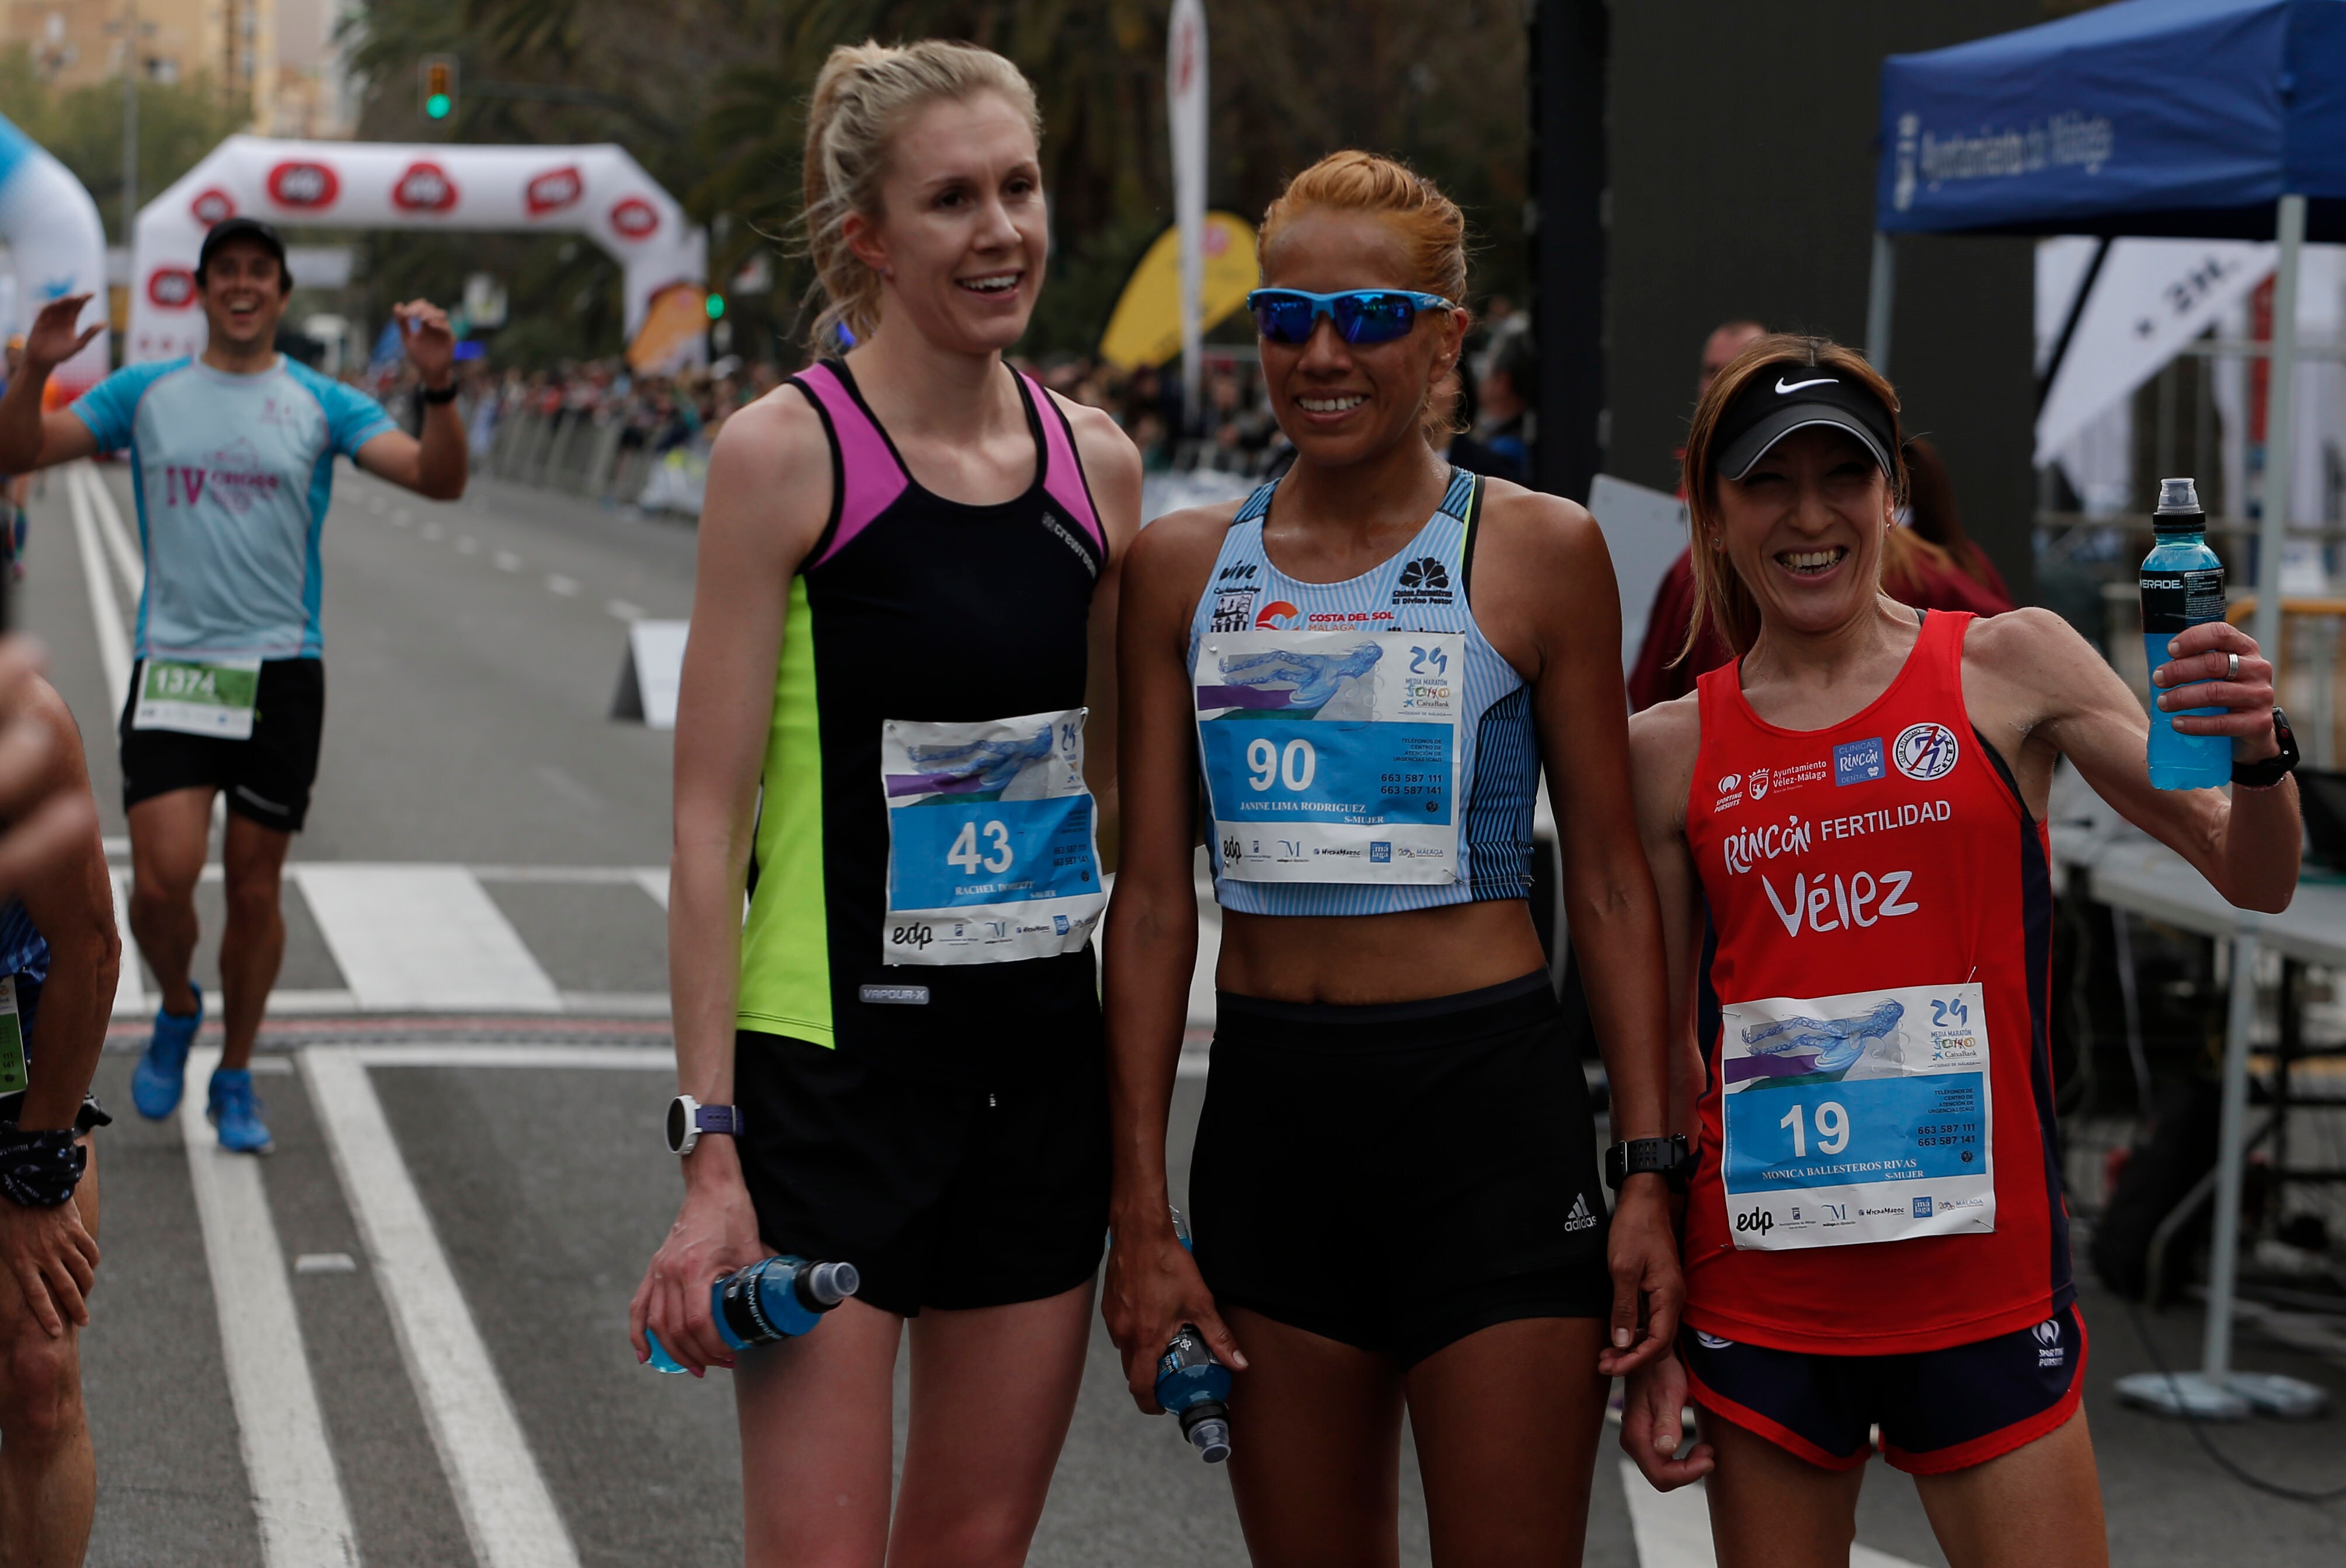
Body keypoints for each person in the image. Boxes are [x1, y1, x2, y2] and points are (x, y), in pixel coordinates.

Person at [1621, 333, 2300, 1566]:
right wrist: (1652, 1271)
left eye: (1842, 476)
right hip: (1765, 1292)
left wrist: (2254, 751)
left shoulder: (2005, 665)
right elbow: (1660, 1043)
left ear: (1892, 492)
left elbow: (2249, 871)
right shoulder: (1667, 747)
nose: (1808, 516)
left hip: (1978, 1286)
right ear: (1710, 513)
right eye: (1767, 482)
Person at [1102, 151, 1682, 1566]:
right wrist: (1139, 1204)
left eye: (1364, 317)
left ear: (1442, 337)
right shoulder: (1180, 567)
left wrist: (1653, 1168)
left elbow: (1607, 881)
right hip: (1271, 1120)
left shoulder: (1535, 549)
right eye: (1285, 318)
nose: (1319, 353)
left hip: (1483, 1119)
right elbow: (1154, 899)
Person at [627, 41, 1140, 1568]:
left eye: (1019, 187)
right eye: (953, 200)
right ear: (869, 232)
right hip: (834, 1085)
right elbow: (706, 833)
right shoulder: (786, 456)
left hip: (1034, 1086)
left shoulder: (1097, 467)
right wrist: (709, 1149)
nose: (1000, 231)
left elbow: (1113, 800)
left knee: (972, 1550)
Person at [0, 218, 467, 1154]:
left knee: (256, 892)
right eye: (227, 272)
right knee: (162, 887)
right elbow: (23, 449)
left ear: (282, 294)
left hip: (283, 672)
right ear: (202, 292)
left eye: (261, 272)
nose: (244, 286)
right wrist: (34, 368)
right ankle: (177, 1000)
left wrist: (440, 386)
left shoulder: (322, 403)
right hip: (175, 666)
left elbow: (436, 478)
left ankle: (238, 1069)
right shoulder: (150, 392)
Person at [0, 667, 117, 1567]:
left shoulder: (23, 723)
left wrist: (38, 1176)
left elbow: (89, 947)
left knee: (38, 1375)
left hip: (17, 1064)